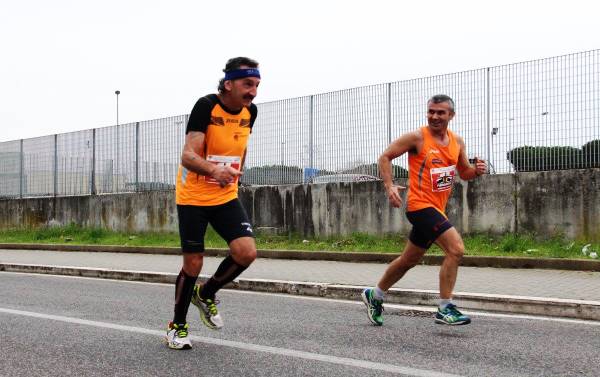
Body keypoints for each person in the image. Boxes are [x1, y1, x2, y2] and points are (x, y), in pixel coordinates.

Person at [362, 94, 486, 327]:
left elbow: (465, 172)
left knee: (409, 259)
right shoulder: (417, 137)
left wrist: (477, 170)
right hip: (419, 206)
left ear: (451, 115)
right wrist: (389, 186)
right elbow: (385, 157)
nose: (435, 116)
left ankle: (375, 295)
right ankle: (445, 307)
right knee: (456, 249)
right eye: (431, 111)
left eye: (440, 112)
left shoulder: (456, 142)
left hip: (437, 209)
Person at [166, 57, 260, 349]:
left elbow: (240, 146)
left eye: (257, 85)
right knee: (193, 262)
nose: (253, 91)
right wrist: (214, 170)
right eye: (247, 84)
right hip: (193, 196)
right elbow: (188, 156)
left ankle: (206, 294)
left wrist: (234, 176)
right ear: (228, 83)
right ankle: (176, 327)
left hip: (224, 194)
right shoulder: (206, 106)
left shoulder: (250, 112)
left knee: (246, 253)